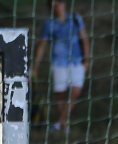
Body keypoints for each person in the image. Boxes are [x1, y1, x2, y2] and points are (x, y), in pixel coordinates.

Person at [33, 0, 90, 134]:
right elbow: (42, 46)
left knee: (76, 92)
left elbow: (84, 40)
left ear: (64, 3)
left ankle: (59, 123)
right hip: (58, 63)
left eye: (58, 3)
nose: (57, 6)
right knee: (61, 95)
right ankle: (64, 127)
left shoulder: (75, 19)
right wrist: (35, 67)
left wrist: (87, 60)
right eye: (53, 5)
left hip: (76, 62)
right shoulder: (49, 24)